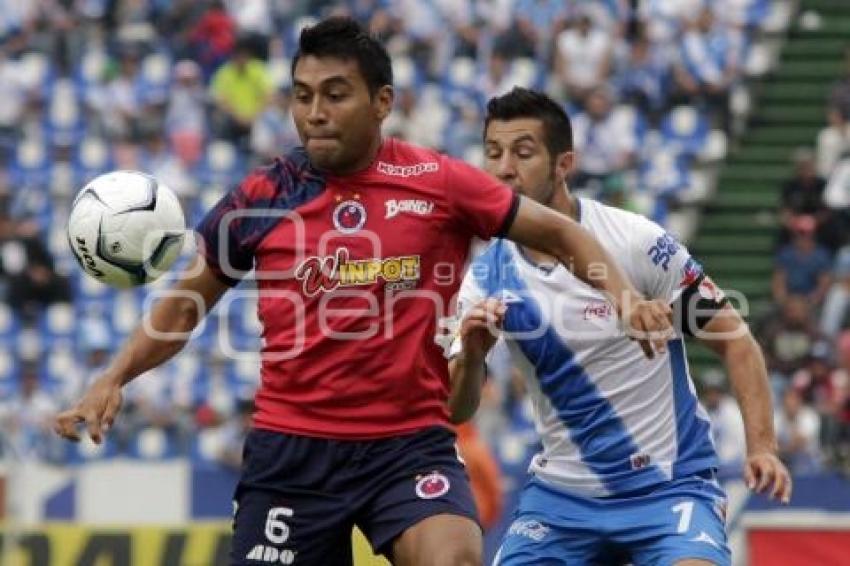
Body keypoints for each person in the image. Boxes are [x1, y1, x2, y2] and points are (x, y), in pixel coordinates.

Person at [54, 18, 672, 566]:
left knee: (454, 558)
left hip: (409, 446)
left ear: (382, 102)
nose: (314, 112)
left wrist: (624, 296)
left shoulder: (438, 183)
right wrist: (113, 378)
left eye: (334, 94)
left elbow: (563, 233)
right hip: (291, 455)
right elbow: (184, 307)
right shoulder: (264, 197)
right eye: (302, 96)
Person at [449, 87, 792, 565]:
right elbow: (458, 408)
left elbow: (735, 340)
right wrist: (471, 353)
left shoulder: (634, 241)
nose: (504, 167)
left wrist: (763, 448)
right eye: (493, 152)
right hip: (560, 499)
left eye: (522, 153)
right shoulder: (484, 277)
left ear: (563, 164)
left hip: (668, 487)